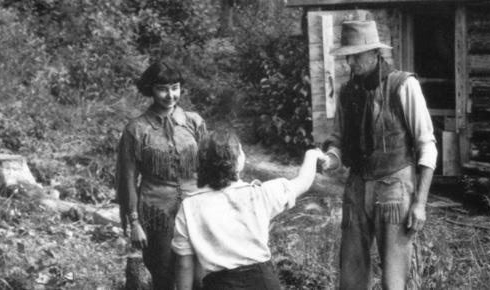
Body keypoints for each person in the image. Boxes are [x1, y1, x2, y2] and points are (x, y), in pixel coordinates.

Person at [322, 20, 437, 290]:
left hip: (395, 191)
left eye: (356, 55)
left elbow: (426, 145)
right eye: (347, 56)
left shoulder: (403, 86)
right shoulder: (348, 92)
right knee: (350, 279)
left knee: (393, 282)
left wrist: (420, 204)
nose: (350, 62)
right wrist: (328, 160)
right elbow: (338, 141)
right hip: (356, 189)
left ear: (375, 53)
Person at [171, 130, 327, 290]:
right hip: (263, 283)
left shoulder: (190, 206)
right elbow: (304, 181)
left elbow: (184, 265)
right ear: (238, 162)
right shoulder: (260, 194)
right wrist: (312, 155)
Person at [116, 60, 207, 290]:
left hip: (195, 209)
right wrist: (134, 222)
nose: (170, 95)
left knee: (200, 275)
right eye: (162, 88)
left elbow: (209, 166)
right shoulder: (136, 130)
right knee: (163, 274)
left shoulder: (193, 122)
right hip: (156, 213)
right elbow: (127, 179)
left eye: (175, 87)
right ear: (150, 89)